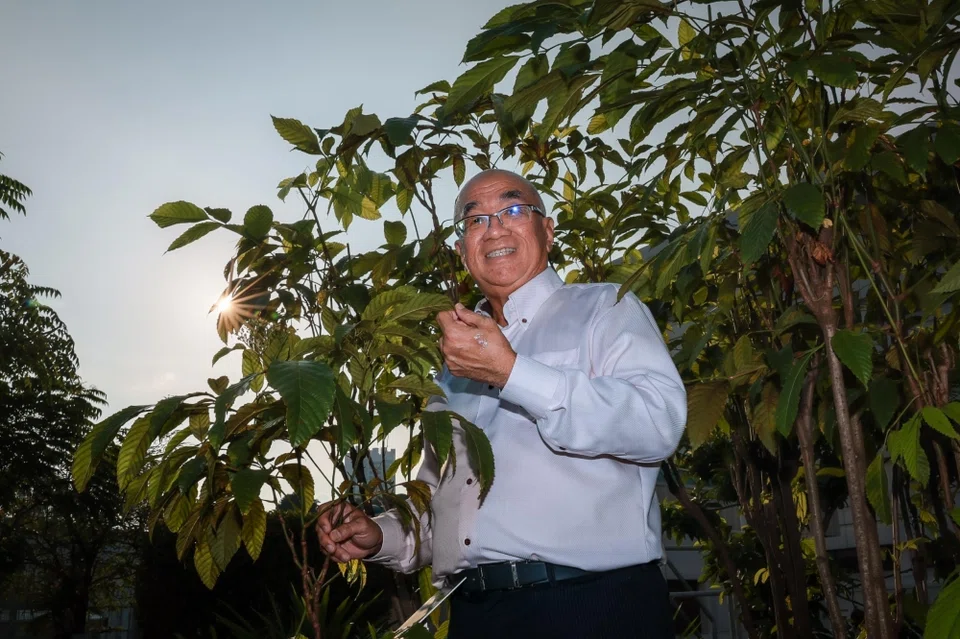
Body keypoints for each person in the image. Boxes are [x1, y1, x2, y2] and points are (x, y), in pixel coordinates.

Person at [318, 169, 687, 638]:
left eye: (514, 210)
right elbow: (446, 505)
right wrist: (379, 536)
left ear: (547, 231)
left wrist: (513, 373)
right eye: (475, 220)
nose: (494, 228)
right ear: (462, 252)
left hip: (592, 606)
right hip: (475, 615)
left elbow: (659, 423)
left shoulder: (605, 308)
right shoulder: (453, 368)